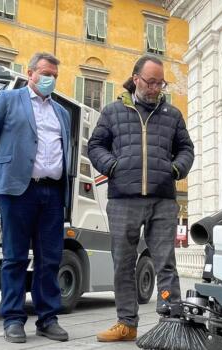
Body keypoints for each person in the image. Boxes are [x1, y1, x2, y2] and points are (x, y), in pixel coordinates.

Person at [88, 55, 194, 342]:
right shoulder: (112, 112)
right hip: (123, 198)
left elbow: (186, 149)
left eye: (160, 83)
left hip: (163, 199)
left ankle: (171, 321)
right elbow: (95, 145)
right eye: (150, 82)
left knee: (165, 261)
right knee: (123, 261)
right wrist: (112, 166)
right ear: (135, 78)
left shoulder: (172, 115)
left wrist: (175, 169)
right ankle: (126, 323)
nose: (155, 88)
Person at [0, 52, 71, 344]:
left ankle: (47, 319)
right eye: (44, 73)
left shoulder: (62, 112)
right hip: (18, 191)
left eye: (54, 74)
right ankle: (13, 319)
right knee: (14, 258)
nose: (49, 79)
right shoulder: (8, 100)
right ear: (30, 72)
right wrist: (3, 173)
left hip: (53, 192)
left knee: (50, 259)